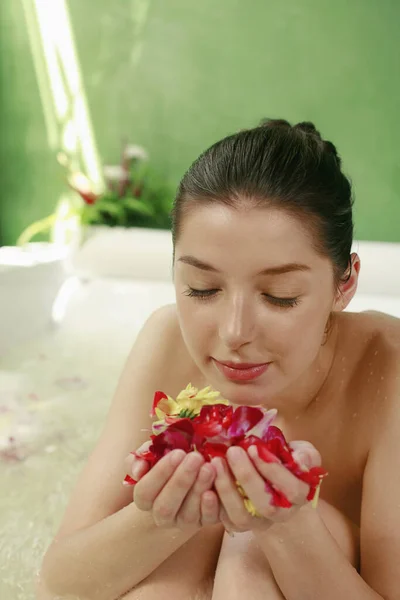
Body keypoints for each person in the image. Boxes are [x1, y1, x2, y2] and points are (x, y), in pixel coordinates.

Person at [36, 119, 400, 600]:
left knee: (251, 549)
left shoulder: (387, 369)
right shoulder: (167, 338)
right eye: (202, 289)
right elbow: (59, 583)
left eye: (280, 296)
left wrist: (285, 526)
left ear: (345, 283)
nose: (234, 333)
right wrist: (163, 518)